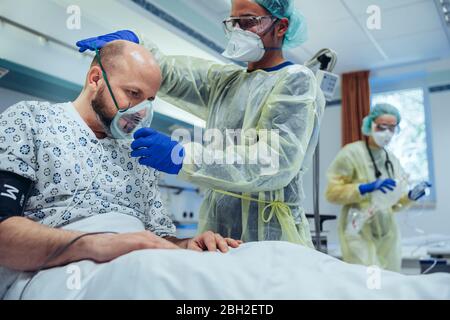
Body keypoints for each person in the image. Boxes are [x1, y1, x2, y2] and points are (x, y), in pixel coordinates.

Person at [0, 40, 241, 298]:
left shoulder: (138, 154)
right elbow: (4, 236)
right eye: (133, 94)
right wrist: (103, 243)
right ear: (95, 79)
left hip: (142, 261)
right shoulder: (30, 121)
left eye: (149, 100)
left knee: (256, 262)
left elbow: (158, 237)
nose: (141, 111)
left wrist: (187, 244)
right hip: (62, 270)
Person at [76, 0, 326, 246]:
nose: (238, 31)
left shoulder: (296, 81)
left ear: (281, 27)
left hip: (271, 235)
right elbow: (169, 74)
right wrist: (137, 41)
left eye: (248, 22)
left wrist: (183, 156)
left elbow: (275, 161)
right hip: (217, 234)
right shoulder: (227, 82)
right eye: (233, 22)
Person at [325, 103, 431, 272]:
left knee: (389, 283)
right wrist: (365, 188)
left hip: (388, 233)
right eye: (382, 127)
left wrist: (410, 196)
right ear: (370, 125)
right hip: (358, 230)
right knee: (370, 284)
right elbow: (332, 193)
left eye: (392, 128)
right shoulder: (351, 153)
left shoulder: (392, 159)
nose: (387, 132)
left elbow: (394, 205)